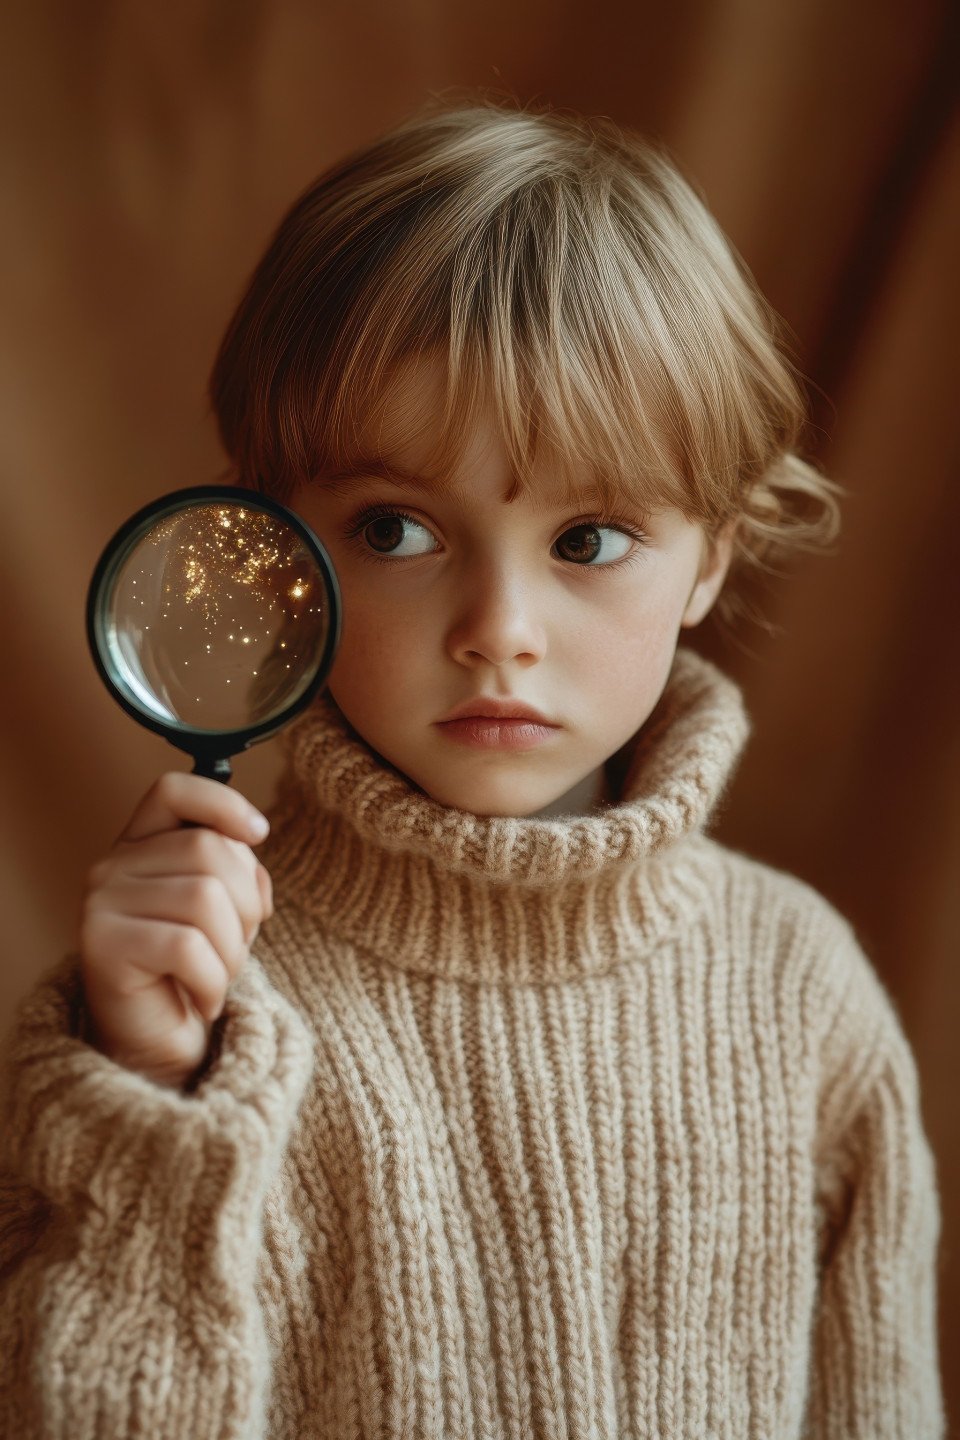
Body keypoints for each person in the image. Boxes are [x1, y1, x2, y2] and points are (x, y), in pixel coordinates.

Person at [0, 99, 944, 1440]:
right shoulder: (183, 1021)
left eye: (590, 538)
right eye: (396, 527)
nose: (498, 630)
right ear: (276, 552)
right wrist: (152, 1110)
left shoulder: (804, 996)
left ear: (715, 558)